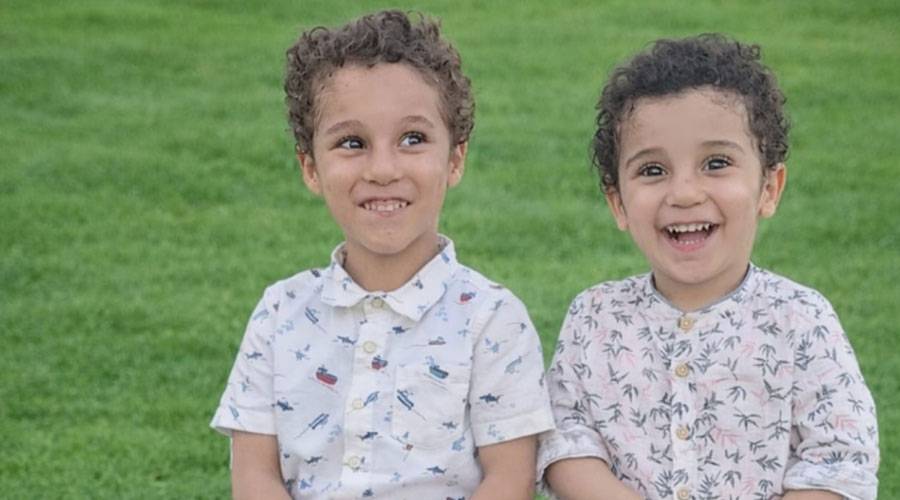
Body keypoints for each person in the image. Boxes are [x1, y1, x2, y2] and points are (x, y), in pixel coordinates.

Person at [209, 10, 554, 500]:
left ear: (455, 159)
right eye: (352, 143)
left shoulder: (492, 320)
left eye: (413, 139)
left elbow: (510, 479)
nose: (383, 169)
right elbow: (254, 476)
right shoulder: (279, 314)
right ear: (311, 167)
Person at [537, 34, 878, 500]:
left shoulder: (800, 319)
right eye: (652, 170)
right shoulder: (595, 316)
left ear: (769, 189)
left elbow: (840, 462)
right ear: (618, 203)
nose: (684, 193)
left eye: (716, 163)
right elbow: (564, 440)